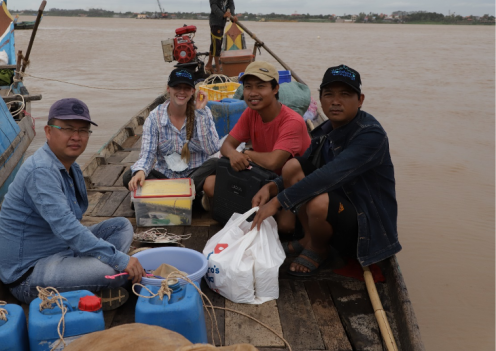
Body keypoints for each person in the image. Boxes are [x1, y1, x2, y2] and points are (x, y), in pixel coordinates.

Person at [250, 65, 401, 277]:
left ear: (360, 100)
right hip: (338, 204)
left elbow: (329, 175)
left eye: (345, 95)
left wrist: (278, 202)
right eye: (329, 95)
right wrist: (272, 186)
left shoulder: (370, 135)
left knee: (318, 201)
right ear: (320, 99)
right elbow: (306, 164)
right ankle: (307, 239)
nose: (335, 101)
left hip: (363, 221)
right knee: (292, 166)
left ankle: (319, 248)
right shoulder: (327, 129)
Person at [0, 98, 143, 306]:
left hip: (63, 250)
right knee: (112, 270)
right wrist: (120, 260)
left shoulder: (70, 167)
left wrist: (115, 258)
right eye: (67, 129)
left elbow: (72, 227)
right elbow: (69, 229)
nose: (76, 137)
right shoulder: (41, 171)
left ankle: (91, 278)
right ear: (48, 131)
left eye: (83, 130)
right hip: (29, 275)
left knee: (121, 226)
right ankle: (98, 280)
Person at [201, 61, 311, 203]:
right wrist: (234, 154)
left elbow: (273, 162)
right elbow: (226, 145)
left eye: (260, 86)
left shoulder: (292, 121)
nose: (253, 93)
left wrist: (246, 154)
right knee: (210, 184)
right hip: (261, 175)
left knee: (285, 224)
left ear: (275, 89)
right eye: (248, 87)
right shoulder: (251, 113)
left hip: (286, 183)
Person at [123, 69, 220, 197]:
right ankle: (186, 195)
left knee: (216, 163)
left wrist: (200, 113)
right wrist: (140, 171)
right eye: (177, 87)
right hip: (165, 177)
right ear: (168, 89)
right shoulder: (154, 118)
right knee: (129, 175)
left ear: (192, 91)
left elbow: (212, 150)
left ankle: (169, 195)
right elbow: (147, 155)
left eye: (186, 88)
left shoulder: (203, 112)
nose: (181, 92)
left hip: (195, 175)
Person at [205, 0, 237, 74]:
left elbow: (231, 4)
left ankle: (209, 64)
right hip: (215, 20)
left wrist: (232, 15)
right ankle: (218, 69)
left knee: (214, 43)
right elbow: (213, 5)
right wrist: (222, 14)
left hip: (222, 21)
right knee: (217, 44)